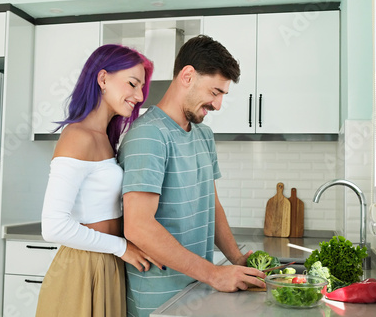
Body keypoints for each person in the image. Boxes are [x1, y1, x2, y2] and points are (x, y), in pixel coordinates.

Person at [117, 35, 266, 317]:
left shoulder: (203, 135)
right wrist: (214, 274)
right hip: (159, 300)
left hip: (196, 290)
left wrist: (237, 259)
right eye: (215, 92)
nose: (218, 105)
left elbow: (212, 205)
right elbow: (138, 226)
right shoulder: (149, 134)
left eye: (222, 94)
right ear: (187, 76)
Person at [35, 44, 162, 317]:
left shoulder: (105, 138)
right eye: (132, 83)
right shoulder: (77, 136)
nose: (139, 95)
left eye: (142, 87)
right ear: (103, 78)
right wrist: (122, 247)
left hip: (107, 265)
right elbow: (53, 227)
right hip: (82, 270)